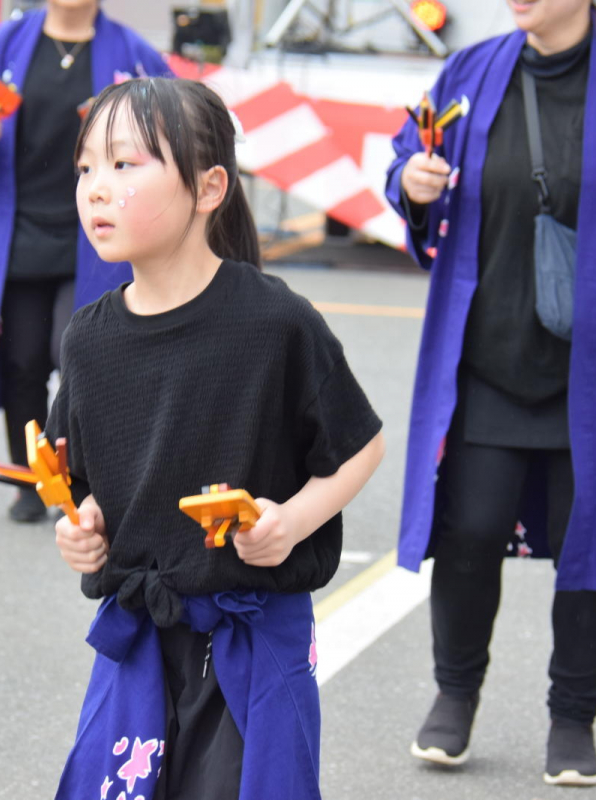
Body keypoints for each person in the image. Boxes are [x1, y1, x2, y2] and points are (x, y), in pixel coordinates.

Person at [386, 0, 596, 787]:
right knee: (469, 531)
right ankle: (454, 694)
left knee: (592, 541)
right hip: (488, 356)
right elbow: (409, 159)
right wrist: (410, 183)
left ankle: (573, 718)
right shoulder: (469, 74)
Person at [49, 77, 386, 799]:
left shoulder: (273, 323)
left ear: (209, 188)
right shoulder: (88, 340)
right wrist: (83, 526)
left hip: (251, 633)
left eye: (124, 163)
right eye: (85, 168)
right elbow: (82, 484)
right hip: (138, 634)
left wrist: (291, 523)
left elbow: (360, 445)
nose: (96, 188)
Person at [0, 0, 170, 523]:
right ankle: (32, 479)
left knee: (79, 354)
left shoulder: (132, 56)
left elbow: (176, 127)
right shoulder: (3, 48)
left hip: (96, 235)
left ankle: (86, 480)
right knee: (21, 362)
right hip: (19, 230)